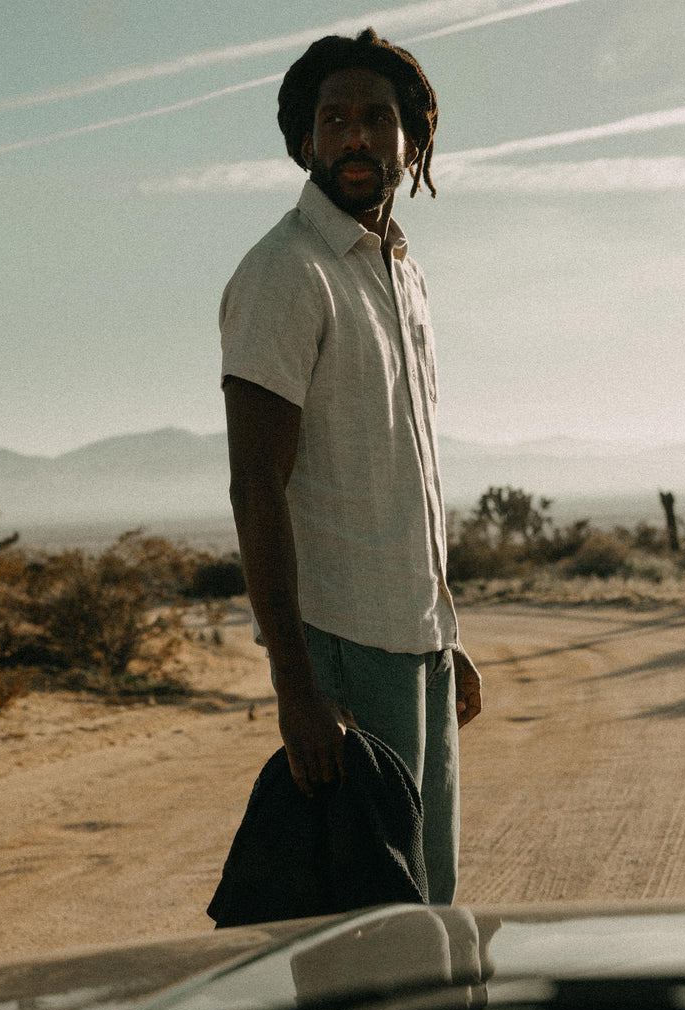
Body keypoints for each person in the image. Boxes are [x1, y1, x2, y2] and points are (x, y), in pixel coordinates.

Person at [220, 28, 481, 904]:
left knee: (429, 915)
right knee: (357, 941)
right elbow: (255, 485)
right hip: (339, 653)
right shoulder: (286, 274)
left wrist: (447, 636)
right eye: (335, 120)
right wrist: (296, 689)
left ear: (413, 141)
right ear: (304, 140)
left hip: (418, 651)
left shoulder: (400, 275)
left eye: (378, 118)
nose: (357, 138)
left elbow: (405, 478)